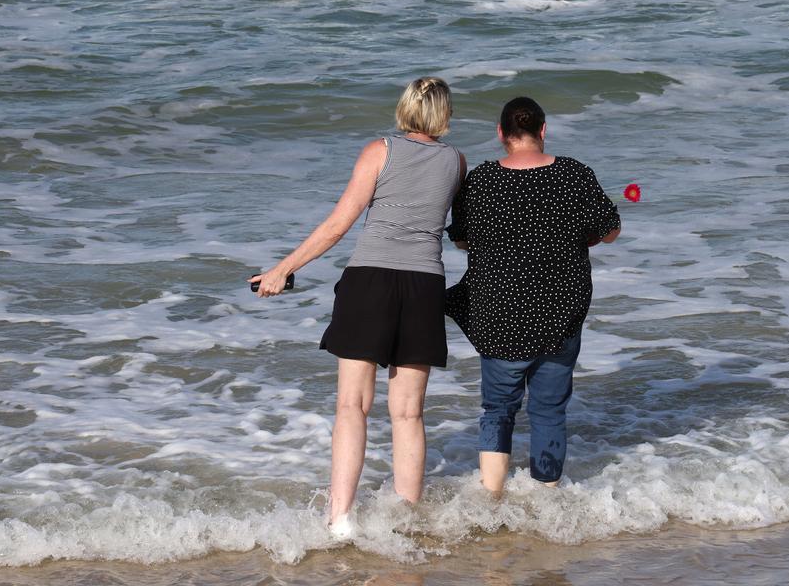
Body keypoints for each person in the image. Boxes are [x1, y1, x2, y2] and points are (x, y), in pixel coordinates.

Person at [251, 77, 465, 535]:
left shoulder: (379, 151)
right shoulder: (455, 161)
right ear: (444, 114)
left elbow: (337, 225)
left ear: (406, 108)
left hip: (371, 281)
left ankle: (340, 518)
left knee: (352, 405)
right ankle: (406, 522)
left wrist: (283, 269)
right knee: (408, 412)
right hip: (425, 285)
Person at [445, 96, 620, 495]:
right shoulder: (574, 175)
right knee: (548, 410)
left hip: (498, 316)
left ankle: (491, 498)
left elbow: (462, 241)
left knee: (497, 410)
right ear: (543, 131)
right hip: (560, 313)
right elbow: (609, 230)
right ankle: (546, 502)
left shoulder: (483, 180)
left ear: (501, 134)